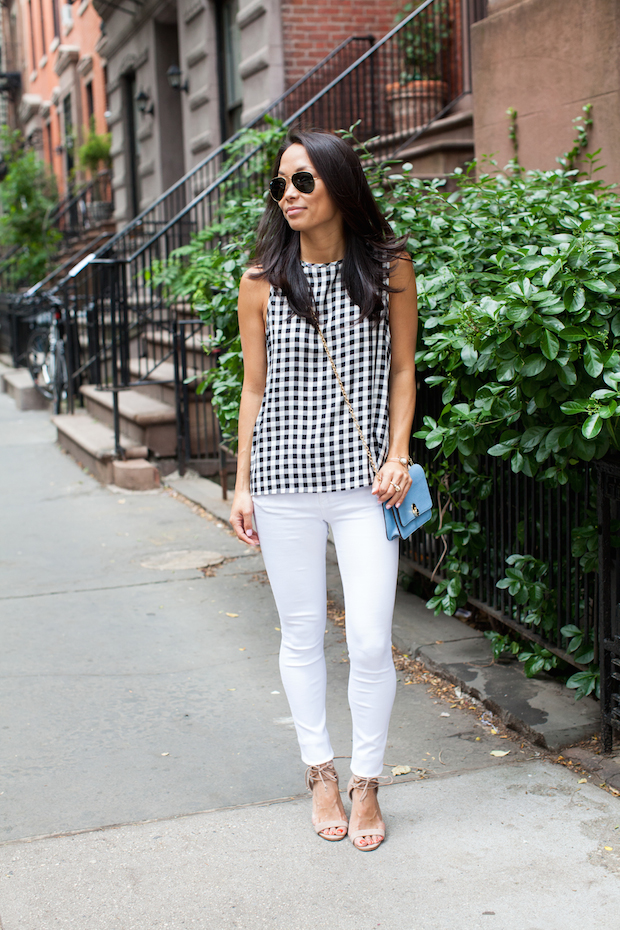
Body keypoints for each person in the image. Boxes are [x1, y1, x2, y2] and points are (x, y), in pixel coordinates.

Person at [230, 129, 418, 851]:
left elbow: (404, 370)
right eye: (280, 185)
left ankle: (367, 781)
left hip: (365, 486)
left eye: (303, 181)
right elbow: (254, 387)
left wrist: (399, 452)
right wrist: (242, 482)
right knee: (302, 635)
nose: (290, 196)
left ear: (339, 183)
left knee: (371, 639)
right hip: (281, 481)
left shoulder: (389, 267)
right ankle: (321, 774)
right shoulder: (262, 280)